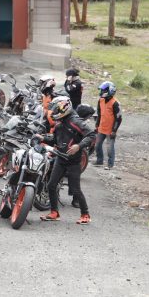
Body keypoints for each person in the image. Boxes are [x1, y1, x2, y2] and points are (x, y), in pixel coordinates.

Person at [39, 96, 95, 224]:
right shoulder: (60, 122)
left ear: (63, 108)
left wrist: (78, 146)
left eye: (56, 110)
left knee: (75, 189)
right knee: (51, 185)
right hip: (60, 158)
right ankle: (54, 212)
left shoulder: (75, 121)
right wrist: (42, 138)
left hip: (73, 161)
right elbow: (55, 140)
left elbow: (91, 135)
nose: (53, 112)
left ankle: (85, 214)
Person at [94, 81, 122, 170]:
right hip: (101, 128)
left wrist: (114, 130)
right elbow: (99, 114)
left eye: (103, 90)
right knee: (97, 145)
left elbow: (118, 118)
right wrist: (97, 125)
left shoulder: (115, 103)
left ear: (110, 91)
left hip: (110, 130)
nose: (101, 92)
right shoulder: (100, 100)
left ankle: (110, 165)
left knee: (110, 148)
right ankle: (99, 161)